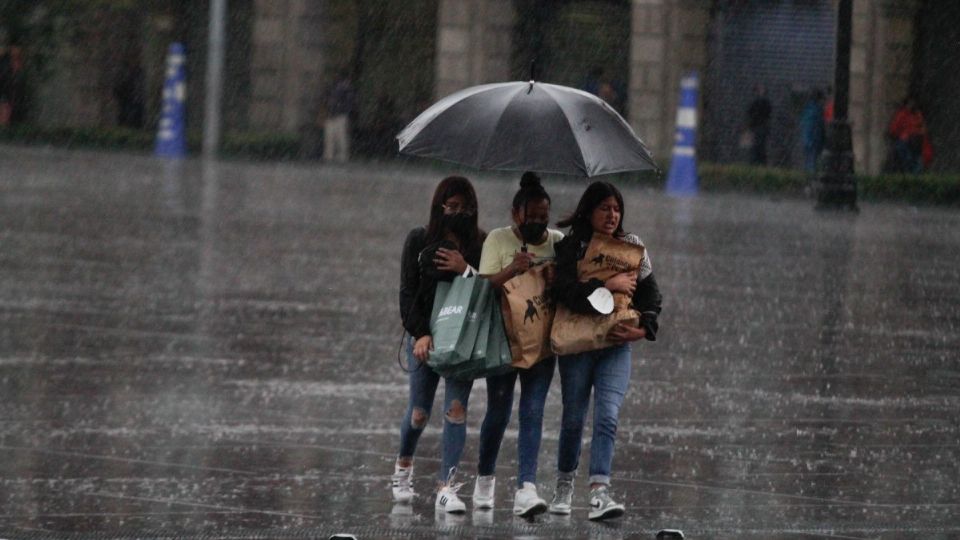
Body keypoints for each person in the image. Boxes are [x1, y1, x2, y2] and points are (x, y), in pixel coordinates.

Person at [548, 181, 661, 521]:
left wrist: (643, 328)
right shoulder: (571, 247)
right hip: (578, 345)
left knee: (608, 416)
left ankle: (599, 491)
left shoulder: (633, 248)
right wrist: (605, 286)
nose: (612, 215)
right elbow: (563, 291)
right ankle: (564, 484)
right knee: (572, 420)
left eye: (616, 209)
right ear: (589, 211)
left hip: (615, 345)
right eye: (604, 208)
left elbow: (651, 295)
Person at [472, 172, 563, 517]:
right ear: (516, 213)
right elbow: (484, 287)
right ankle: (485, 478)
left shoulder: (557, 241)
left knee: (534, 410)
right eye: (532, 216)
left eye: (544, 217)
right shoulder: (497, 239)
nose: (539, 223)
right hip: (504, 339)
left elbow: (570, 286)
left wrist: (558, 277)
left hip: (541, 341)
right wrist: (513, 268)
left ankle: (526, 486)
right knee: (498, 410)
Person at [393, 176, 486, 513]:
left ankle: (447, 487)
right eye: (452, 207)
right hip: (425, 338)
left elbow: (487, 291)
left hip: (461, 339)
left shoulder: (480, 242)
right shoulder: (419, 239)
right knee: (419, 413)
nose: (459, 213)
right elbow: (407, 292)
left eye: (466, 208)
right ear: (440, 207)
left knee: (456, 412)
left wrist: (466, 269)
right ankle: (403, 466)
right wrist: (420, 333)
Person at [323, 70, 355, 163]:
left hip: (336, 114)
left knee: (335, 137)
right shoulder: (344, 88)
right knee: (339, 137)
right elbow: (349, 103)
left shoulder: (339, 88)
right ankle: (338, 156)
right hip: (337, 115)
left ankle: (331, 156)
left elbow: (347, 102)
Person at [888, 97, 927, 174]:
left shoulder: (912, 114)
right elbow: (894, 128)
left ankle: (911, 170)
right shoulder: (907, 114)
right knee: (914, 158)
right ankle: (913, 171)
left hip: (911, 140)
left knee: (912, 157)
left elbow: (894, 129)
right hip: (911, 140)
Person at [800, 89, 826, 173]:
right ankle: (811, 179)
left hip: (808, 140)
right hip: (814, 141)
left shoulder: (808, 109)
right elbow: (818, 127)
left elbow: (804, 124)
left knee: (809, 161)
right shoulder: (817, 111)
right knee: (812, 163)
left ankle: (808, 178)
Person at [746, 84, 772, 165]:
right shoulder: (758, 102)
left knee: (759, 146)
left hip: (759, 126)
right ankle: (758, 162)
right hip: (757, 126)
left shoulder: (763, 102)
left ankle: (758, 162)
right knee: (757, 147)